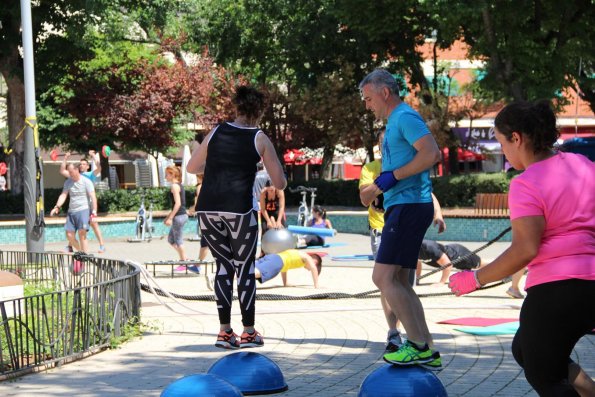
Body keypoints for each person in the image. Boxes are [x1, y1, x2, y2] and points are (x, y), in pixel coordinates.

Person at [448, 100, 595, 396]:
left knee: (546, 378)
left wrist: (474, 279)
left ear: (517, 138)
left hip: (557, 291)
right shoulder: (584, 165)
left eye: (502, 143)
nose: (503, 151)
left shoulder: (525, 183)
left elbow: (525, 249)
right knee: (524, 349)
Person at [186, 85, 287, 350]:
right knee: (245, 268)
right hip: (239, 209)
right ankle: (249, 332)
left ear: (237, 107)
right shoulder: (259, 138)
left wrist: (221, 166)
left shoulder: (217, 131)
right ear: (260, 110)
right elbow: (279, 182)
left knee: (223, 267)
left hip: (207, 207)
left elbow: (191, 167)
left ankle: (223, 332)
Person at [358, 68, 442, 367]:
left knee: (382, 277)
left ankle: (418, 345)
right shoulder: (396, 121)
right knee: (401, 281)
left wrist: (387, 180)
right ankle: (427, 348)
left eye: (369, 99)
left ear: (384, 93)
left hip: (409, 206)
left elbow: (431, 154)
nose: (368, 106)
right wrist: (382, 189)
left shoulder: (404, 117)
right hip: (404, 205)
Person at [60, 151, 107, 253]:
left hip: (88, 205)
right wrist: (66, 157)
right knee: (78, 229)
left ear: (88, 167)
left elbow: (99, 167)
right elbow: (63, 170)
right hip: (79, 207)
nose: (82, 165)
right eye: (80, 164)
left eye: (84, 164)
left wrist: (93, 155)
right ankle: (72, 247)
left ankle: (102, 245)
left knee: (94, 224)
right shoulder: (74, 175)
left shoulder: (90, 174)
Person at [207, 250, 322, 290]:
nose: (309, 270)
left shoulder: (296, 256)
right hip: (276, 262)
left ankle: (217, 275)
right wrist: (316, 285)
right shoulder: (306, 257)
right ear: (315, 261)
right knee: (250, 274)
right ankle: (216, 278)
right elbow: (313, 268)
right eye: (314, 266)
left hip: (272, 258)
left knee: (247, 270)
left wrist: (285, 283)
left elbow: (284, 268)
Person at [50, 163, 98, 254]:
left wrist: (94, 211)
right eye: (69, 172)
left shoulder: (86, 181)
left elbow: (93, 197)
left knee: (82, 233)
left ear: (77, 170)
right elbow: (63, 195)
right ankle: (81, 252)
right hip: (71, 211)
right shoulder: (68, 182)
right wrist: (57, 207)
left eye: (71, 172)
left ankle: (84, 256)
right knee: (69, 235)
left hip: (83, 210)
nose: (70, 174)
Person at [164, 165, 189, 262]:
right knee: (171, 240)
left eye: (167, 174)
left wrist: (170, 218)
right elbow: (178, 204)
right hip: (181, 215)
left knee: (178, 240)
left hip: (179, 216)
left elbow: (178, 204)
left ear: (173, 174)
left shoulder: (174, 186)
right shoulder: (179, 185)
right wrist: (168, 217)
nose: (165, 177)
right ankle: (184, 258)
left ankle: (184, 262)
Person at [187, 173, 209, 272]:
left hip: (204, 215)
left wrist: (191, 209)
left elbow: (199, 202)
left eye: (197, 177)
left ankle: (198, 265)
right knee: (208, 240)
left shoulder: (200, 186)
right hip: (211, 214)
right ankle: (198, 264)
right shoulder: (211, 185)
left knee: (205, 240)